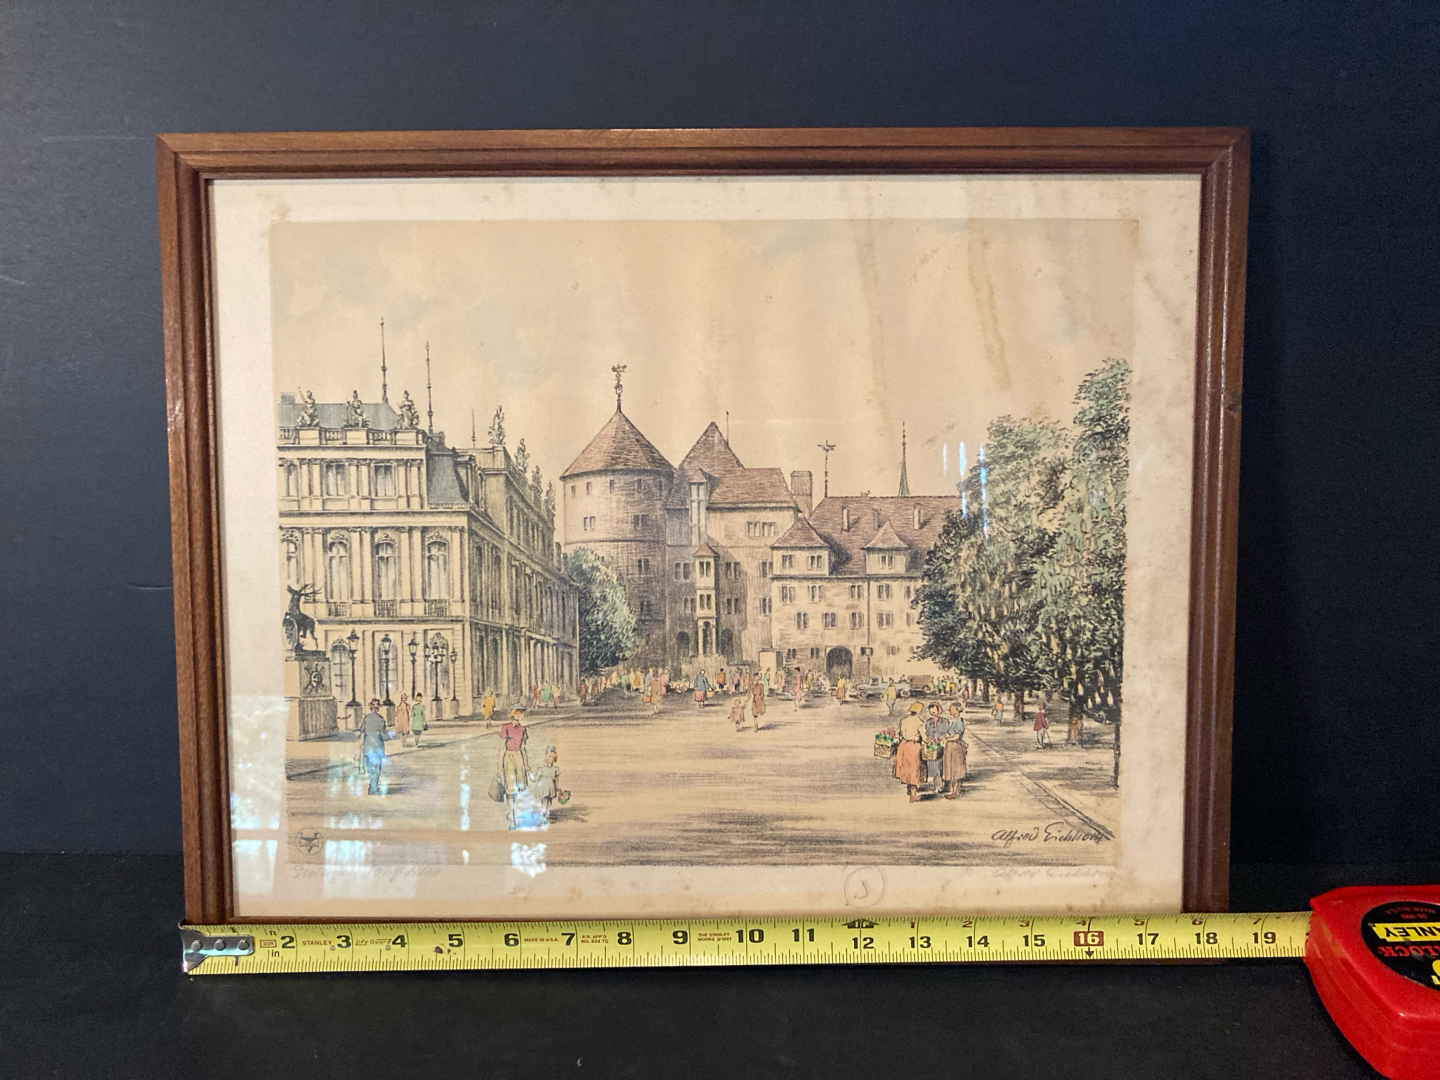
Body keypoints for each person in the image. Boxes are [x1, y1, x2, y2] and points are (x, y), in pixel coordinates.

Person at [497, 708, 531, 828]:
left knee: (518, 788)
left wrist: (526, 764)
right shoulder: (505, 727)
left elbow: (523, 748)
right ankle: (511, 817)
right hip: (508, 758)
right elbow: (501, 749)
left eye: (520, 713)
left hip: (519, 758)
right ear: (511, 714)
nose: (518, 715)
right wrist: (499, 768)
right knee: (510, 789)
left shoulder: (523, 729)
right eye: (516, 712)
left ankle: (511, 811)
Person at [357, 699, 394, 795]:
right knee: (377, 768)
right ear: (378, 708)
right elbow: (383, 735)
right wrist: (388, 736)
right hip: (377, 746)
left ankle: (372, 785)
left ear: (370, 708)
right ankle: (374, 787)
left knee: (370, 768)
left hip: (368, 746)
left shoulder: (366, 718)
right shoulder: (380, 719)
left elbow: (362, 729)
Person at [893, 702, 927, 802]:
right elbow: (925, 738)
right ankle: (913, 795)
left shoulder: (903, 720)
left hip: (903, 746)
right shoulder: (920, 722)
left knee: (906, 767)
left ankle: (909, 788)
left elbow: (897, 734)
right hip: (913, 746)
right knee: (914, 769)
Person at [941, 702, 968, 798]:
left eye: (951, 709)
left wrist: (947, 739)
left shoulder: (959, 722)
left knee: (956, 769)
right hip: (951, 747)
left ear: (957, 710)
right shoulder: (955, 721)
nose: (949, 710)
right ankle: (953, 791)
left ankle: (955, 792)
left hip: (955, 747)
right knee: (951, 768)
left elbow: (956, 736)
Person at [530, 745, 562, 822]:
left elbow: (556, 781)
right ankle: (543, 816)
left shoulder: (555, 769)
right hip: (542, 788)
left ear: (554, 758)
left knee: (549, 803)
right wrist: (529, 773)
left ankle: (543, 814)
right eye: (546, 756)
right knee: (544, 801)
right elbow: (534, 779)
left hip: (550, 788)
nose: (547, 758)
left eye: (550, 756)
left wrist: (559, 789)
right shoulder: (541, 769)